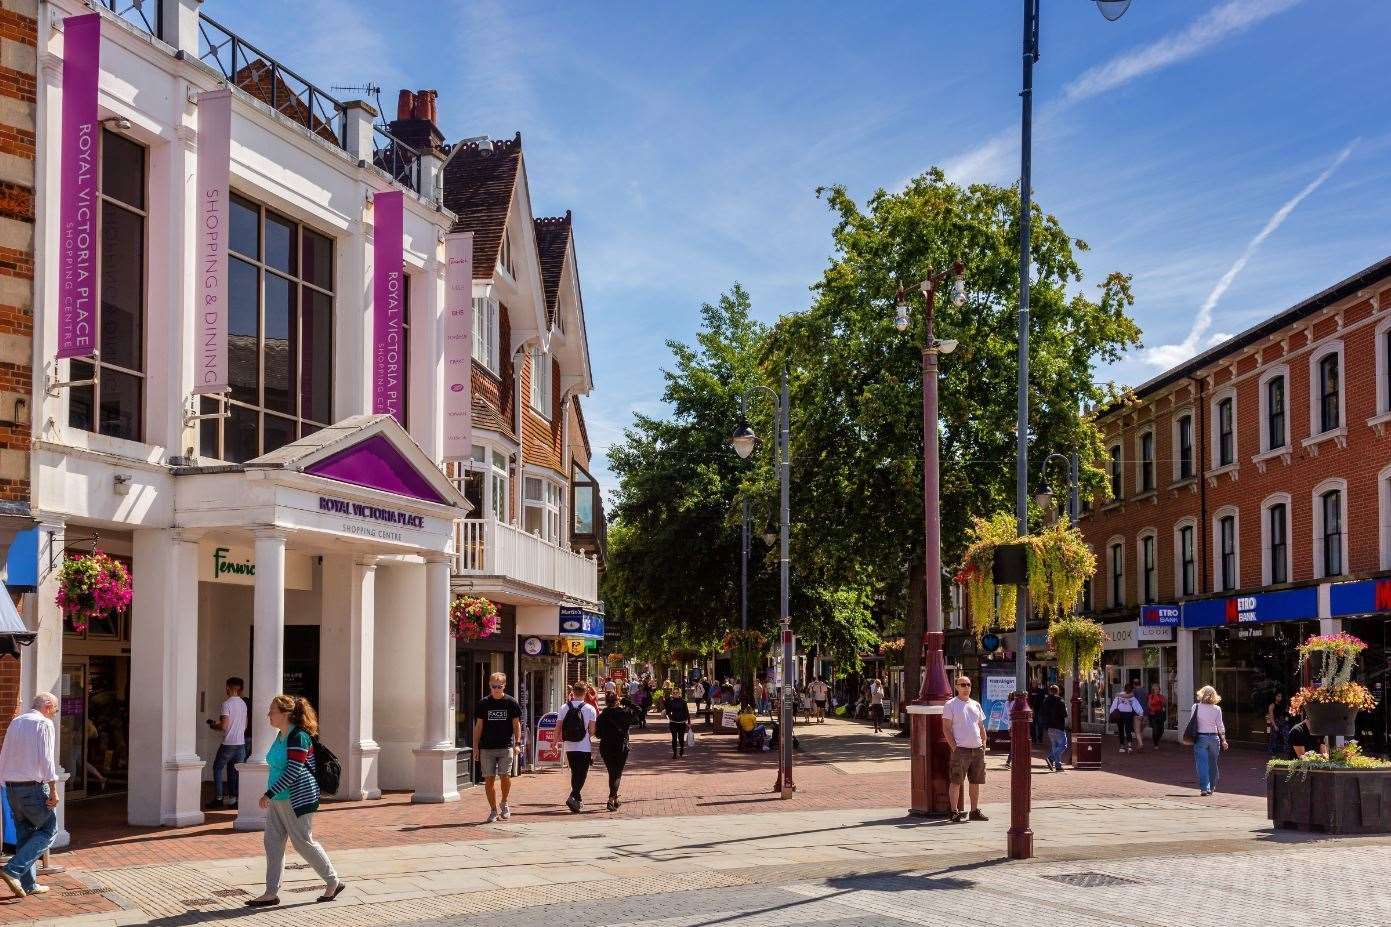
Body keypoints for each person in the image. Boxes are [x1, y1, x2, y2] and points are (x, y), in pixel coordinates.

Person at [245, 695, 343, 907]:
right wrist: (272, 795)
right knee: (272, 843)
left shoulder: (298, 737)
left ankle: (333, 880)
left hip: (297, 797)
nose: (268, 715)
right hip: (279, 798)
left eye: (272, 711)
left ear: (285, 714)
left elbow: (293, 771)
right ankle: (271, 893)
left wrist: (268, 794)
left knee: (303, 842)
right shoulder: (281, 735)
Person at [0, 693, 61, 899]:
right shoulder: (43, 724)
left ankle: (28, 884)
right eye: (55, 709)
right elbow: (47, 759)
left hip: (11, 788)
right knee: (49, 830)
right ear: (46, 706)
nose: (54, 714)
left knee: (25, 835)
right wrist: (53, 788)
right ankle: (13, 870)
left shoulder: (16, 722)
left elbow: (4, 754)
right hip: (33, 787)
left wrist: (4, 784)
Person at [473, 672, 522, 823]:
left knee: (505, 776)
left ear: (504, 686)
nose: (496, 689)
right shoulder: (483, 703)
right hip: (487, 747)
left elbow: (516, 724)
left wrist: (518, 743)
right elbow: (478, 726)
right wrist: (476, 747)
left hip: (505, 746)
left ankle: (504, 803)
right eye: (494, 686)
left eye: (499, 686)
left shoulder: (511, 702)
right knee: (489, 779)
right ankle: (493, 810)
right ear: (490, 686)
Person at [943, 677, 988, 823]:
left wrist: (983, 743)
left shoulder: (976, 704)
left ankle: (974, 810)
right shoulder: (951, 704)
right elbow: (946, 728)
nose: (966, 687)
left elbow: (980, 726)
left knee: (975, 781)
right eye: (963, 685)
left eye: (969, 684)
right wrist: (954, 747)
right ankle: (954, 811)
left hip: (977, 749)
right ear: (956, 687)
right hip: (961, 750)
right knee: (956, 781)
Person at [205, 676, 248, 809]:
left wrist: (213, 725)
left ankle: (218, 798)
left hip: (228, 743)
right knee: (234, 771)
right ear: (240, 689)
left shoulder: (226, 704)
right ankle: (233, 799)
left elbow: (224, 726)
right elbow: (245, 725)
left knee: (217, 768)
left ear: (228, 687)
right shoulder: (243, 704)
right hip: (241, 743)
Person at [557, 682, 598, 812]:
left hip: (569, 746)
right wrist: (586, 734)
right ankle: (573, 796)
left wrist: (553, 743)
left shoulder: (564, 707)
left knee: (575, 772)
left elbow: (558, 727)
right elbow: (592, 731)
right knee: (582, 773)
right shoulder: (590, 709)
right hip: (584, 746)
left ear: (573, 692)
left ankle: (577, 800)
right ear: (585, 692)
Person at [596, 691, 638, 811]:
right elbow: (638, 711)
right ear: (617, 700)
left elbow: (598, 734)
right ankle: (611, 799)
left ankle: (615, 800)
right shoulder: (624, 713)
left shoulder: (602, 716)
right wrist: (627, 702)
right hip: (621, 747)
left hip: (606, 747)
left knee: (612, 772)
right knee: (617, 773)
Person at [1187, 685, 1228, 796]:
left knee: (1202, 764)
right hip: (1214, 738)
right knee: (1213, 763)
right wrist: (1223, 740)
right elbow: (1220, 725)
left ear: (1201, 694)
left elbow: (1192, 722)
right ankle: (1212, 786)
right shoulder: (1217, 709)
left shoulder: (1196, 707)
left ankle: (1204, 788)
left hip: (1201, 738)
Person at [1040, 684, 1068, 772]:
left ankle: (1058, 764)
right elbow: (1064, 714)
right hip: (1058, 726)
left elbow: (1042, 712)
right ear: (1057, 691)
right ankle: (1050, 758)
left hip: (1049, 726)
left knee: (1054, 745)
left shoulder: (1045, 701)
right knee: (1063, 745)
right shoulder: (1060, 701)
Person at [1109, 683, 1144, 753]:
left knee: (1121, 729)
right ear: (1131, 689)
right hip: (1128, 714)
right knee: (1128, 730)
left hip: (1120, 714)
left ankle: (1122, 746)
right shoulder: (1131, 696)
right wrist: (1141, 713)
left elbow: (1114, 704)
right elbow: (1136, 706)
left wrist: (1111, 712)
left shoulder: (1120, 695)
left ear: (1124, 688)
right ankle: (1129, 746)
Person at [664, 683, 691, 758]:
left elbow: (687, 712)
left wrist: (689, 722)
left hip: (682, 722)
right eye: (674, 693)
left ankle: (682, 748)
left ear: (679, 694)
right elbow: (667, 711)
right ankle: (675, 753)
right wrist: (667, 714)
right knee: (674, 738)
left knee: (681, 738)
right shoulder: (670, 701)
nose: (675, 694)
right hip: (673, 722)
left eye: (676, 693)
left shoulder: (683, 702)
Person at [1265, 691, 1290, 757]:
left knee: (1286, 736)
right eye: (1278, 696)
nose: (1280, 698)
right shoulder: (1272, 705)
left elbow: (1286, 713)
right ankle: (1272, 751)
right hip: (1275, 722)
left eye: (1281, 696)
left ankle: (1286, 751)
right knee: (1274, 737)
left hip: (1283, 722)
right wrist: (1274, 725)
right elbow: (1271, 716)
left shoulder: (1283, 705)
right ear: (1275, 697)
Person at [1146, 683, 1167, 749]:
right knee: (1155, 729)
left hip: (1160, 714)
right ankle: (1156, 744)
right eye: (1156, 689)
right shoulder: (1151, 696)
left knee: (1161, 730)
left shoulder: (1161, 696)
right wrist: (1153, 709)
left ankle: (1157, 740)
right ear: (1153, 690)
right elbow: (1149, 705)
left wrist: (1163, 706)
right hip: (1153, 714)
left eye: (1158, 689)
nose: (1157, 690)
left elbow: (1164, 704)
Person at [1028, 682, 1047, 746]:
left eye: (1035, 683)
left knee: (1040, 725)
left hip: (1039, 710)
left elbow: (1043, 700)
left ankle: (1040, 739)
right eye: (1033, 683)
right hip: (1032, 710)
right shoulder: (1030, 691)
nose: (1034, 684)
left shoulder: (1041, 691)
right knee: (1033, 725)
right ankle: (1034, 739)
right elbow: (1029, 700)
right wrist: (1030, 708)